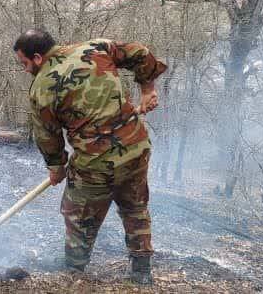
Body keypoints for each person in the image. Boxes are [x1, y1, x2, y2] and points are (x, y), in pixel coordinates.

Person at [13, 29, 167, 285]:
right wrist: (148, 87)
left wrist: (56, 167)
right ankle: (142, 272)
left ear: (38, 58)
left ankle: (74, 271)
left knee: (78, 215)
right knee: (134, 207)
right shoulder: (97, 47)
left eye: (25, 64)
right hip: (136, 149)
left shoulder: (41, 89)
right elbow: (139, 52)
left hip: (95, 165)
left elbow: (47, 137)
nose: (25, 69)